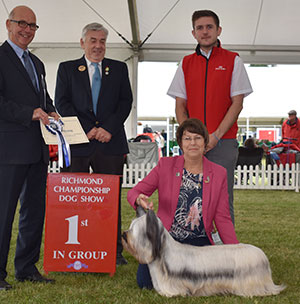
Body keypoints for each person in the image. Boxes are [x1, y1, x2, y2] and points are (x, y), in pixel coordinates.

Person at [127, 118, 239, 289]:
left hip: (199, 242)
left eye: (197, 138)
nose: (192, 143)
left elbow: (223, 218)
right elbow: (134, 192)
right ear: (180, 143)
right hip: (166, 239)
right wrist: (138, 199)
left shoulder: (219, 173)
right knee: (146, 283)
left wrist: (236, 252)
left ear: (205, 142)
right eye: (187, 138)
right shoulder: (165, 165)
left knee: (204, 284)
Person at [55, 23, 133, 265]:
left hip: (110, 143)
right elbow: (62, 102)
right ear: (82, 43)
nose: (98, 45)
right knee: (73, 199)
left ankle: (113, 250)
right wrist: (86, 129)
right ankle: (73, 248)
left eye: (102, 41)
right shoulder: (66, 69)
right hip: (78, 142)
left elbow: (125, 102)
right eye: (92, 40)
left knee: (110, 199)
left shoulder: (119, 69)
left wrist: (107, 128)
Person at [167, 9, 253, 225]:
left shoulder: (233, 60)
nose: (204, 32)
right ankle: (193, 246)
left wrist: (215, 136)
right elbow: (180, 105)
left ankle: (226, 250)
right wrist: (191, 138)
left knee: (222, 198)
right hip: (193, 145)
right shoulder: (185, 63)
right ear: (193, 33)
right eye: (200, 28)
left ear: (218, 30)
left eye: (209, 27)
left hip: (223, 142)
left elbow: (237, 103)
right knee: (191, 196)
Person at [0, 6, 59, 290]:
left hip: (38, 150)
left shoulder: (36, 63)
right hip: (8, 150)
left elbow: (43, 99)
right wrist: (29, 113)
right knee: (4, 213)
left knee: (34, 211)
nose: (27, 30)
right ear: (8, 24)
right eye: (22, 24)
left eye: (33, 26)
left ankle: (26, 267)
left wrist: (53, 112)